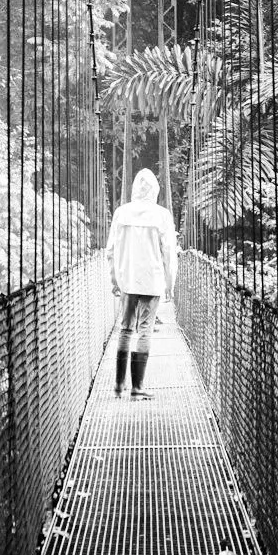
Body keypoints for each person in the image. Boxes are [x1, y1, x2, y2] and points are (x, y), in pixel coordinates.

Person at [105, 168, 178, 398]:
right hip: (152, 281)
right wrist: (170, 283)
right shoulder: (162, 215)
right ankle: (137, 388)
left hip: (127, 281)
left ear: (134, 188)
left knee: (126, 330)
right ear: (155, 189)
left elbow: (110, 250)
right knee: (145, 330)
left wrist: (115, 279)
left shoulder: (121, 212)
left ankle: (119, 386)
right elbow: (169, 254)